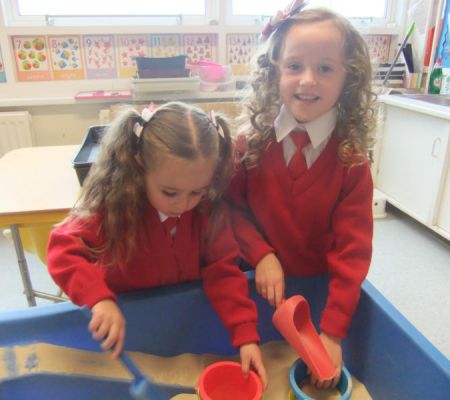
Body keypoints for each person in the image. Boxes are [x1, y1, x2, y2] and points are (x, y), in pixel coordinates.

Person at [47, 101, 268, 388]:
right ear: (139, 167)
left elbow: (223, 273)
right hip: (129, 327)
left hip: (182, 323)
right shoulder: (114, 207)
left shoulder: (209, 211)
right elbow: (63, 248)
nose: (183, 204)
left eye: (197, 192)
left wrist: (246, 336)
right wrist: (99, 299)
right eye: (170, 192)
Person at [228, 3, 376, 389]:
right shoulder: (249, 143)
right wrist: (262, 255)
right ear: (274, 71)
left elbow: (353, 251)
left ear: (348, 78)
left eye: (325, 68)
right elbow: (229, 209)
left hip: (318, 287)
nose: (307, 80)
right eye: (295, 66)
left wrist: (333, 334)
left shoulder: (352, 161)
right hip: (256, 281)